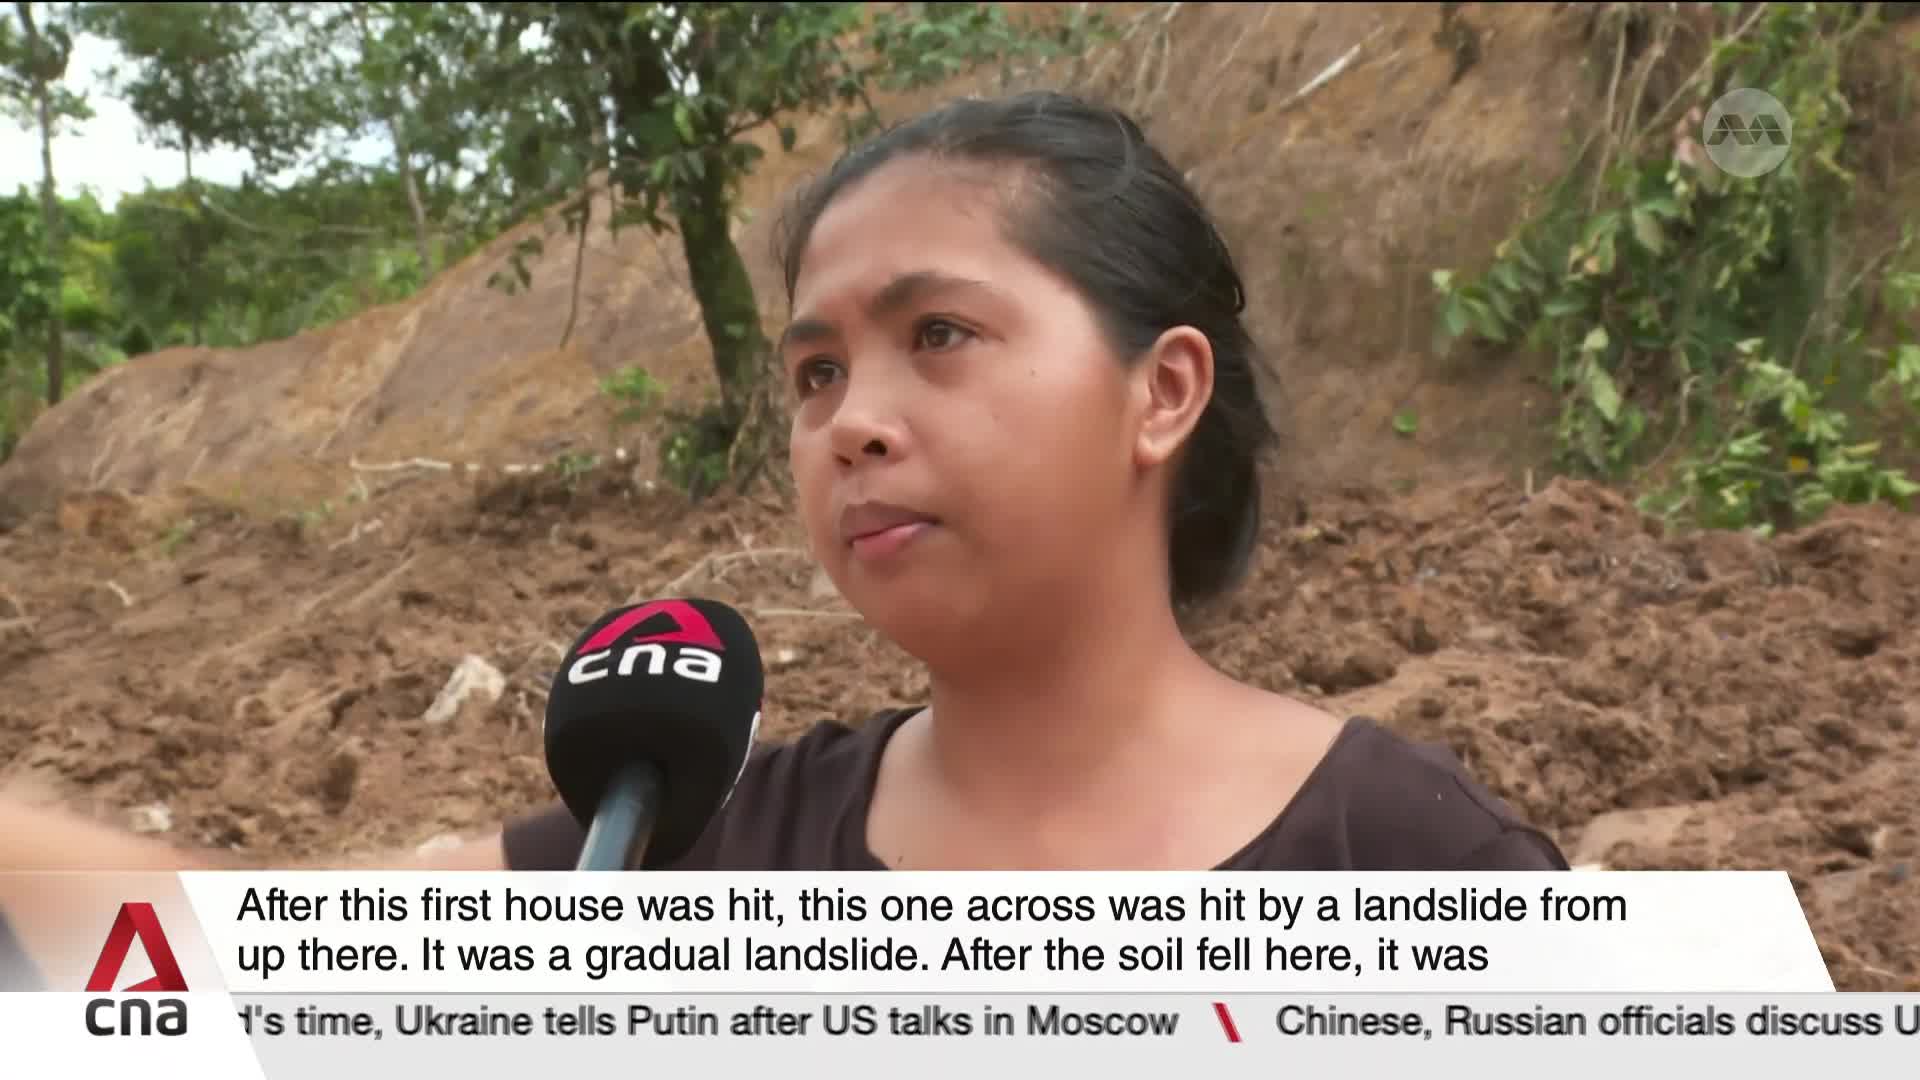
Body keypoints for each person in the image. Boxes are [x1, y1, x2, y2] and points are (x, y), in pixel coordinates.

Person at [0, 91, 1567, 877]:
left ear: (1161, 393)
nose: (851, 425)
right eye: (815, 373)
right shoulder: (691, 840)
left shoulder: (1413, 858)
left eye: (938, 336)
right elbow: (214, 956)